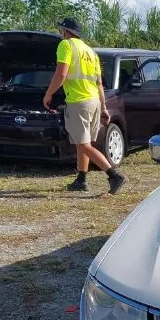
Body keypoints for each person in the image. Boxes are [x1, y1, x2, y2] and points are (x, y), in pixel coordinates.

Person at [43, 17, 126, 194]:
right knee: (83, 142)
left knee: (83, 145)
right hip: (94, 101)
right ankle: (81, 180)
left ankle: (114, 175)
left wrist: (48, 93)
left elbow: (61, 73)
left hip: (78, 102)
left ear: (65, 31)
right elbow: (99, 84)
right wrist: (103, 107)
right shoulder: (91, 52)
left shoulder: (65, 45)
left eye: (60, 30)